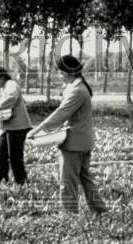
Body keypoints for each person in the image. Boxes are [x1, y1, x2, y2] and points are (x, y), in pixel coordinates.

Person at [29, 54, 107, 214]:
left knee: (67, 182)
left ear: (69, 73)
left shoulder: (77, 91)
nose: (59, 75)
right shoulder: (79, 88)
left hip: (73, 143)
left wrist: (37, 130)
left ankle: (70, 215)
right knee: (85, 179)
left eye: (61, 72)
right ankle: (100, 211)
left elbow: (61, 114)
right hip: (83, 141)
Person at [0, 66, 32, 186]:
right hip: (8, 127)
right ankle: (1, 182)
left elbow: (11, 98)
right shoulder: (4, 87)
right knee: (0, 156)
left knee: (15, 157)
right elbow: (1, 100)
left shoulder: (11, 85)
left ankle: (21, 182)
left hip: (18, 127)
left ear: (1, 77)